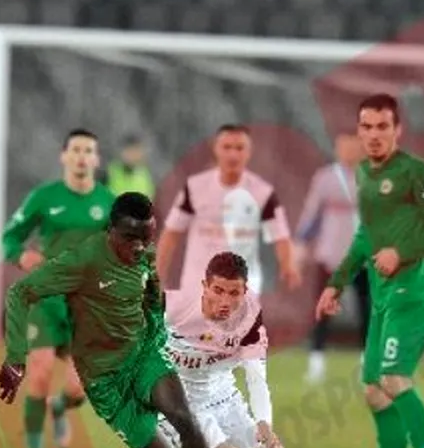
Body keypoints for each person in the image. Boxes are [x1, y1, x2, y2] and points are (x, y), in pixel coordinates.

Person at [0, 192, 237, 448]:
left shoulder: (145, 254)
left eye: (147, 237)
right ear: (110, 231)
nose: (140, 247)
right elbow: (20, 293)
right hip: (105, 383)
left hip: (143, 357)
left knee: (182, 416)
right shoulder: (83, 261)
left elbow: (153, 294)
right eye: (130, 239)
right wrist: (16, 357)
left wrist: (155, 335)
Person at [315, 93, 424, 448]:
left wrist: (402, 251)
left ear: (397, 130)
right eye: (367, 127)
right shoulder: (363, 172)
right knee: (373, 391)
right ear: (358, 132)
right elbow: (366, 236)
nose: (374, 135)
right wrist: (337, 282)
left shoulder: (416, 172)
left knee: (395, 379)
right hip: (382, 296)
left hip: (413, 294)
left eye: (383, 126)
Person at [156, 251, 352, 448]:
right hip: (185, 406)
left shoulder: (249, 317)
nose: (225, 300)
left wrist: (264, 422)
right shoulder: (174, 305)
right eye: (218, 290)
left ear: (244, 291)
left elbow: (257, 377)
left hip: (226, 396)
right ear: (204, 285)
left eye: (234, 293)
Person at [1, 129, 116, 448]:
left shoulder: (109, 203)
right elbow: (11, 236)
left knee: (80, 389)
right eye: (76, 150)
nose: (82, 156)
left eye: (89, 151)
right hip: (48, 298)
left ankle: (60, 407)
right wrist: (21, 256)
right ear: (64, 156)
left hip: (87, 303)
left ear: (96, 159)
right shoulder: (44, 197)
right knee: (39, 372)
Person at [156, 124, 300, 296]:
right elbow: (171, 233)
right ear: (216, 150)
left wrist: (288, 264)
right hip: (199, 285)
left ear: (249, 152)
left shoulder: (262, 192)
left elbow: (281, 236)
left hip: (241, 287)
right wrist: (158, 274)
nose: (233, 154)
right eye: (227, 147)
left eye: (239, 148)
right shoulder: (195, 188)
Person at [296, 132, 369, 384]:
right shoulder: (325, 178)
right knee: (324, 308)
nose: (348, 152)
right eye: (343, 147)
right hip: (331, 253)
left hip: (363, 254)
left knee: (368, 309)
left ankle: (367, 363)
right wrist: (301, 245)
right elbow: (311, 214)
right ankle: (316, 362)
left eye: (353, 147)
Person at [99, 134, 155, 199]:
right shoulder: (110, 173)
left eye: (136, 151)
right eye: (130, 151)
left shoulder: (145, 176)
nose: (133, 156)